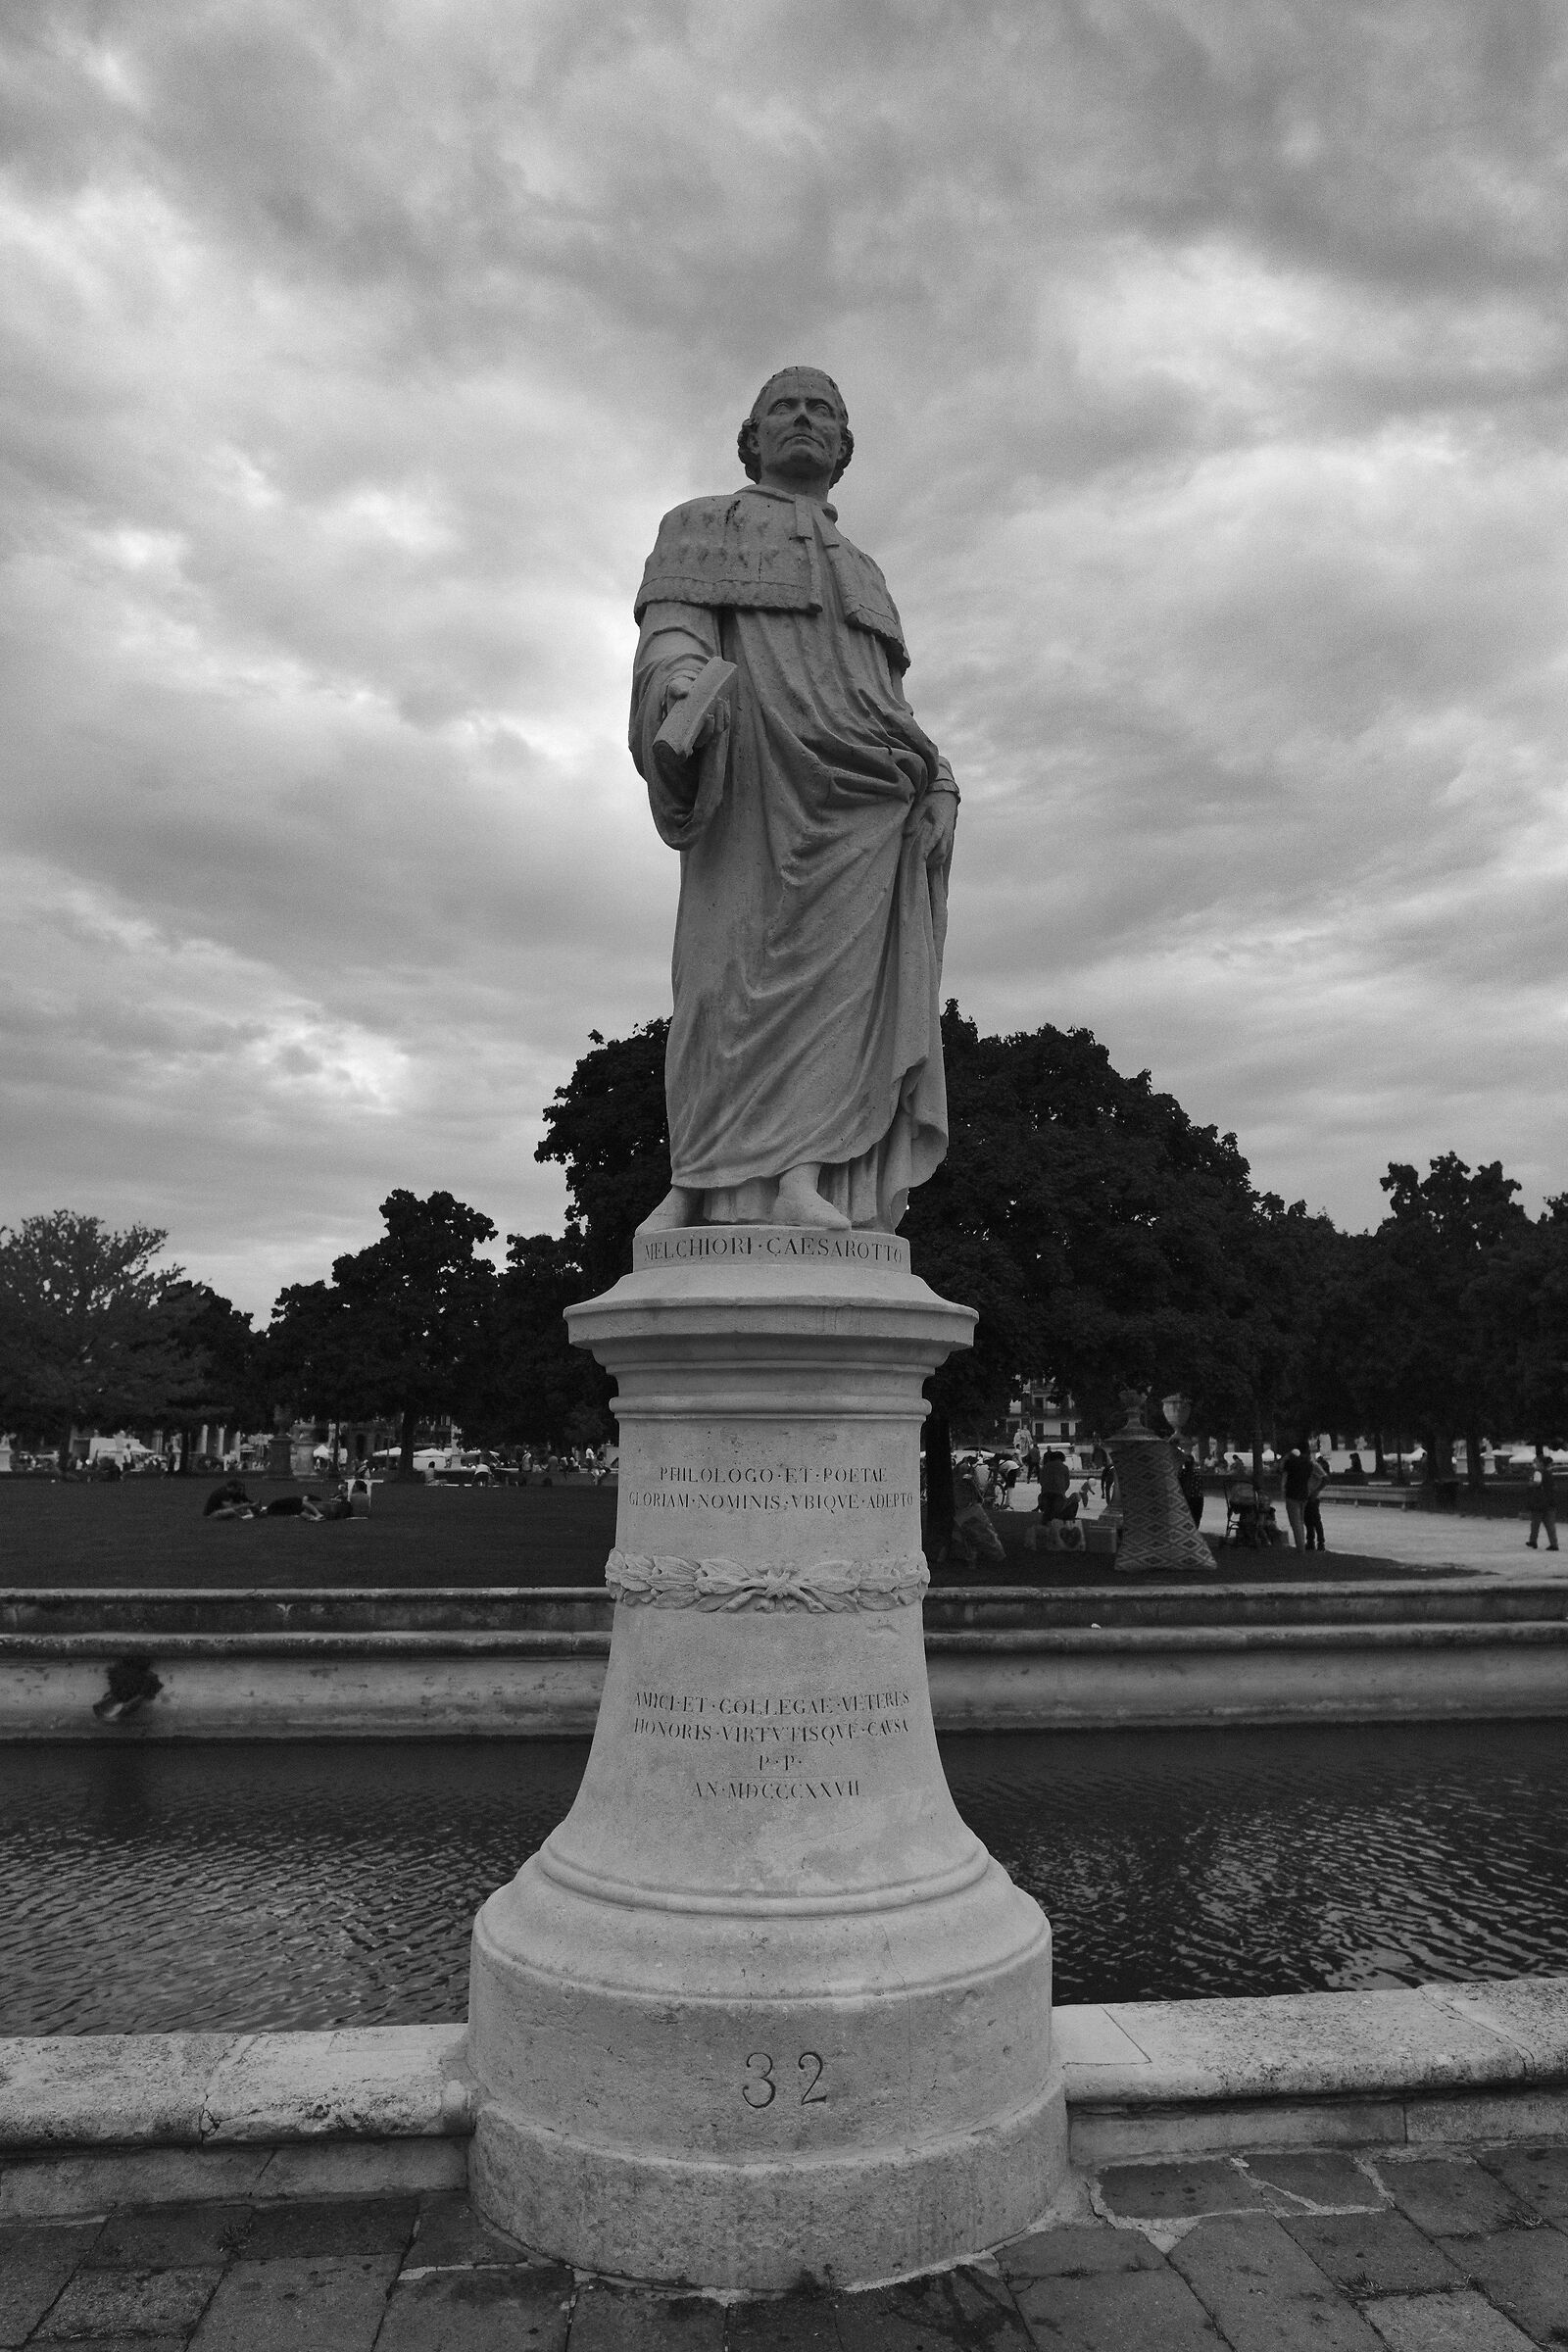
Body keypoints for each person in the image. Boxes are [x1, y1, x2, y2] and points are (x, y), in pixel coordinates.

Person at [630, 368, 957, 1236]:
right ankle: (698, 1184)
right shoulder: (702, 525)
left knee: (839, 1004)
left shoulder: (867, 571)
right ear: (754, 433)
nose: (805, 418)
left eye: (825, 410)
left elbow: (887, 701)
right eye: (787, 406)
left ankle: (804, 1178)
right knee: (721, 984)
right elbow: (673, 639)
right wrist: (679, 689)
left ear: (845, 445)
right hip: (754, 782)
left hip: (864, 807)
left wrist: (943, 785)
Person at [950, 1453, 1005, 1568]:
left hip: (961, 1512)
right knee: (985, 1534)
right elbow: (977, 1493)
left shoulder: (955, 1482)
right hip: (972, 1509)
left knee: (968, 1537)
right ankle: (996, 1555)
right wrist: (980, 1499)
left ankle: (971, 1559)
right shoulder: (967, 1479)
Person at [1280, 1444, 1311, 1551]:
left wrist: (1283, 1491)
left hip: (1292, 1494)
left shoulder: (1290, 1463)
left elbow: (1283, 1475)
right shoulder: (1308, 1464)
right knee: (1301, 1521)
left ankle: (1300, 1548)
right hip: (1304, 1494)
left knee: (1295, 1522)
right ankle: (1302, 1544)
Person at [1528, 1449, 1559, 1552]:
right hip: (1550, 1502)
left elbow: (1537, 1483)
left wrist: (1530, 1483)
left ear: (1540, 1463)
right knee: (1550, 1525)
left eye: (1536, 1462)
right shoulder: (1549, 1473)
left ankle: (1533, 1541)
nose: (1534, 1464)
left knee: (1535, 1523)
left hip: (1539, 1502)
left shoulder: (1538, 1472)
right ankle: (1554, 1544)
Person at [1304, 1452, 1330, 1552]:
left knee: (1315, 1520)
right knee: (1307, 1520)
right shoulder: (1306, 1466)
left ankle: (1320, 1543)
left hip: (1313, 1497)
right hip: (1306, 1496)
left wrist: (1316, 1491)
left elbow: (1325, 1478)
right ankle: (1310, 1541)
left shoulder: (1313, 1465)